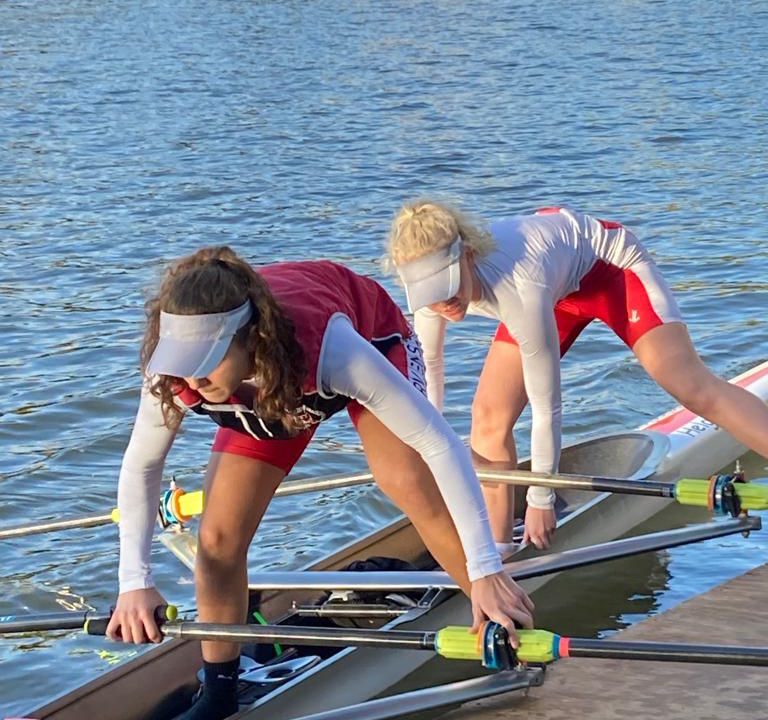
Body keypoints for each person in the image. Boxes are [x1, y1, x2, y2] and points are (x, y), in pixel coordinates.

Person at [106, 246, 534, 720]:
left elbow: (440, 444)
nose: (190, 375)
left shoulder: (333, 347)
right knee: (217, 540)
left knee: (403, 479)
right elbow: (141, 467)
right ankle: (219, 692)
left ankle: (498, 611)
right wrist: (134, 583)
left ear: (250, 336)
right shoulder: (169, 373)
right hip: (273, 393)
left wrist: (486, 567)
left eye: (204, 358)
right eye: (182, 358)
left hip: (369, 336)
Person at [387, 201, 768, 552]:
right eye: (431, 293)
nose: (444, 302)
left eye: (449, 285)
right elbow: (430, 375)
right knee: (488, 418)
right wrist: (433, 452)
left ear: (467, 256)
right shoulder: (432, 300)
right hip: (553, 286)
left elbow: (547, 405)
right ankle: (498, 553)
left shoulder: (520, 287)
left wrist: (541, 497)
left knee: (691, 387)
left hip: (608, 269)